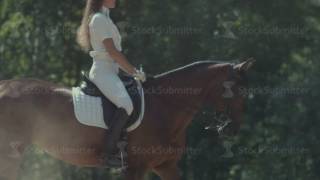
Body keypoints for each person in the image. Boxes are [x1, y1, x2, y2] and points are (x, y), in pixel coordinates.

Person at [76, 0, 146, 167]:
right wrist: (134, 71)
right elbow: (113, 52)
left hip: (112, 71)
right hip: (102, 72)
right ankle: (106, 154)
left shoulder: (105, 18)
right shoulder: (99, 19)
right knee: (126, 105)